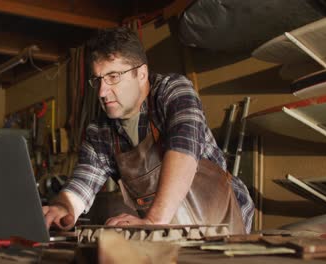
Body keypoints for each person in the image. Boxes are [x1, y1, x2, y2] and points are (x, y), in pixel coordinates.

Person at [43, 27, 254, 233]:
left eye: (113, 77)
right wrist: (63, 207)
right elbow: (83, 183)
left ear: (141, 73)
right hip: (169, 227)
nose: (102, 91)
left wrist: (154, 219)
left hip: (223, 220)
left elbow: (184, 149)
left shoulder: (173, 91)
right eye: (98, 80)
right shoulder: (100, 132)